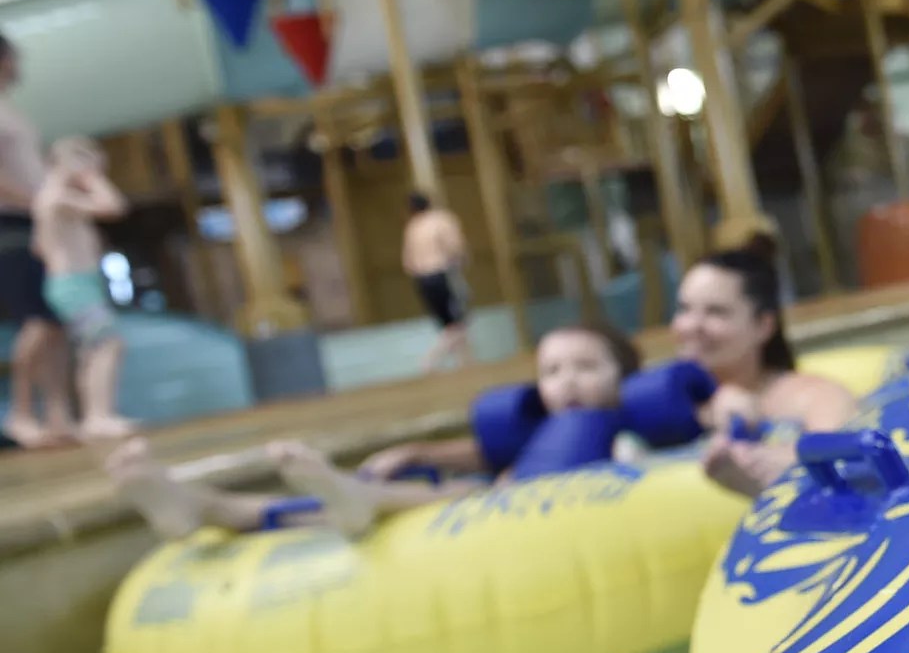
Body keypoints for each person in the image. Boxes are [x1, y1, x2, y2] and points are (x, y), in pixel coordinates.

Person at [108, 323, 642, 540]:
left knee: (448, 495)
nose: (567, 381)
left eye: (587, 367)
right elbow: (481, 452)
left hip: (503, 508)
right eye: (552, 371)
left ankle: (350, 499)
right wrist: (414, 450)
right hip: (481, 497)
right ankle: (194, 503)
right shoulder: (538, 426)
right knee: (377, 498)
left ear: (625, 377)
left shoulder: (624, 428)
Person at [677, 246, 859, 498]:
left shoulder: (813, 397)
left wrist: (764, 462)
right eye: (684, 309)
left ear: (764, 325)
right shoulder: (667, 405)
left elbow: (844, 464)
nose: (691, 326)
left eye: (716, 312)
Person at [0, 29, 73, 450]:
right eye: (12, 56)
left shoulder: (11, 110)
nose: (17, 63)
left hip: (37, 222)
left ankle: (59, 415)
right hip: (11, 225)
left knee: (55, 320)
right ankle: (21, 413)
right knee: (37, 319)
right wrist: (36, 201)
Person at [32, 137, 132, 440]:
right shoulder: (55, 196)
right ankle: (98, 416)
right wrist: (93, 179)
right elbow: (114, 206)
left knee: (93, 349)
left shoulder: (53, 199)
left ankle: (95, 415)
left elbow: (38, 246)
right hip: (73, 284)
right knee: (107, 344)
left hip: (76, 282)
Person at [403, 192, 471, 372]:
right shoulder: (441, 220)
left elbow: (407, 262)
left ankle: (464, 362)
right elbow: (454, 245)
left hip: (422, 279)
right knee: (459, 321)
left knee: (448, 323)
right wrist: (461, 261)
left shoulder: (412, 227)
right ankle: (430, 359)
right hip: (442, 274)